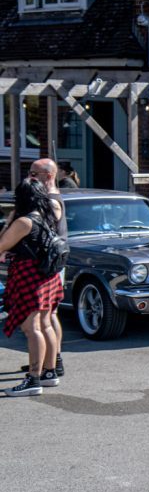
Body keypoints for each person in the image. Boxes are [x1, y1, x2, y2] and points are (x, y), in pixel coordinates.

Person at [2, 179, 63, 396]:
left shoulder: (24, 222)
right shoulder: (47, 216)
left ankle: (33, 379)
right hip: (47, 275)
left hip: (29, 276)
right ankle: (49, 372)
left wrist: (9, 222)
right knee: (45, 324)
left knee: (31, 328)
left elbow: (1, 245)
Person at [18, 159, 67, 380]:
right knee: (47, 317)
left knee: (48, 316)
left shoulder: (51, 201)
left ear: (48, 176)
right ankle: (48, 362)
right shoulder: (50, 198)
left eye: (33, 173)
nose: (29, 177)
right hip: (50, 263)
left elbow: (43, 232)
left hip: (48, 264)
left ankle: (53, 362)